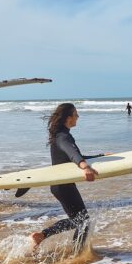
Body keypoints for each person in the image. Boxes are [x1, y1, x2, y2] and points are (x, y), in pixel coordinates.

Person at [30, 103, 104, 253]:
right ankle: (77, 253)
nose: (78, 117)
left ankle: (43, 236)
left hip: (62, 185)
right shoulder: (63, 137)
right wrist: (85, 167)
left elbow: (76, 156)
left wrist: (101, 156)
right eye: (76, 114)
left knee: (79, 220)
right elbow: (72, 153)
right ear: (68, 118)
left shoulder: (61, 135)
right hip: (63, 186)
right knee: (83, 221)